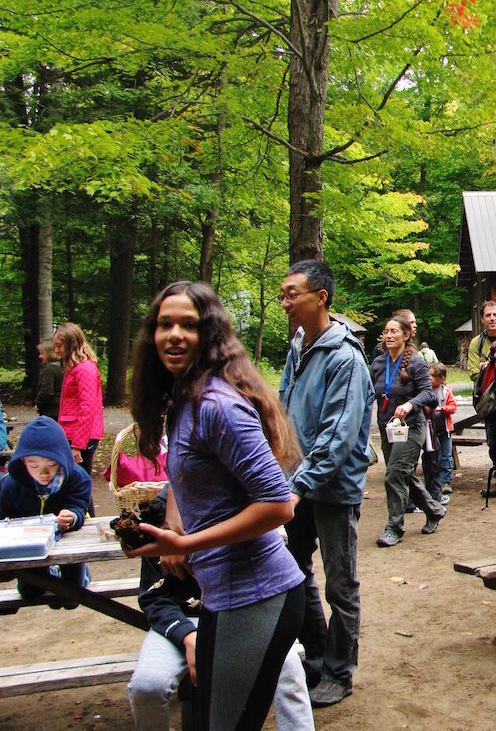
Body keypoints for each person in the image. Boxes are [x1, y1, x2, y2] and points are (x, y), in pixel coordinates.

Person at [126, 281, 307, 731]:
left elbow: (279, 504)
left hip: (259, 595)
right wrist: (174, 528)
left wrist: (189, 541)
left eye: (189, 325)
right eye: (165, 324)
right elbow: (185, 479)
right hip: (220, 594)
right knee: (205, 720)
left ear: (210, 335)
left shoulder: (217, 406)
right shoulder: (183, 400)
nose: (174, 335)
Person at [127, 488, 314, 731]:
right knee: (147, 686)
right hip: (181, 623)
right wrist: (186, 636)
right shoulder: (161, 516)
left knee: (289, 670)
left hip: (241, 616)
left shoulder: (237, 508)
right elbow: (153, 597)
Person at [278, 260, 374, 708]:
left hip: (332, 487)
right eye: (282, 294)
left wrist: (298, 484)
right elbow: (281, 410)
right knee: (291, 572)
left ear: (321, 297)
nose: (285, 302)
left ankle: (339, 671)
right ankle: (316, 654)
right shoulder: (298, 346)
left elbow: (337, 438)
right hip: (296, 483)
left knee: (340, 583)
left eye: (292, 293)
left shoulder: (346, 358)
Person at [0, 416, 93, 608]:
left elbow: (79, 506)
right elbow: (3, 515)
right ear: (23, 462)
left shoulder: (77, 478)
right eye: (34, 466)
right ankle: (47, 575)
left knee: (72, 596)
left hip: (69, 541)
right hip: (28, 545)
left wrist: (73, 516)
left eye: (51, 465)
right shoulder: (11, 483)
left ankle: (79, 574)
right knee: (30, 592)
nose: (43, 473)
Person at [371, 316, 445, 547]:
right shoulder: (378, 363)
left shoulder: (417, 363)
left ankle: (394, 528)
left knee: (394, 474)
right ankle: (434, 509)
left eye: (394, 331)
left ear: (406, 335)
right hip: (388, 427)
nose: (389, 335)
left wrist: (410, 404)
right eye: (386, 331)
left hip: (412, 427)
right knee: (403, 474)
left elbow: (429, 395)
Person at [468, 301, 496, 501]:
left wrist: (490, 367)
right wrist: (492, 370)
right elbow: (474, 373)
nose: (492, 318)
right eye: (488, 315)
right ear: (482, 319)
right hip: (489, 400)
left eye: (495, 314)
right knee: (493, 442)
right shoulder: (477, 343)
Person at [52, 322, 105, 475]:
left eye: (59, 346)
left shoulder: (84, 369)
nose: (56, 350)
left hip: (81, 437)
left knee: (79, 484)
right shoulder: (75, 368)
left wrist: (78, 445)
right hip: (73, 434)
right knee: (72, 485)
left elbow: (87, 408)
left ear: (71, 344)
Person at [428, 363, 458, 501]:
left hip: (444, 430)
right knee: (433, 456)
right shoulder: (426, 391)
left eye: (433, 376)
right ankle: (435, 480)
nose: (430, 379)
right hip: (431, 430)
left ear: (441, 378)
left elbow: (453, 407)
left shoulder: (446, 391)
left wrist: (443, 408)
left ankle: (446, 481)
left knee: (446, 455)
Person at [35, 341, 65, 421]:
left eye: (42, 353)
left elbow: (47, 391)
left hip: (51, 412)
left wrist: (37, 402)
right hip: (62, 409)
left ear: (49, 353)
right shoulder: (63, 368)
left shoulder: (50, 369)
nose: (40, 356)